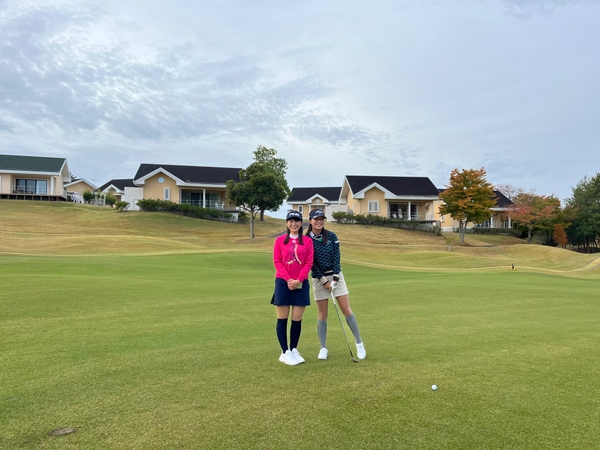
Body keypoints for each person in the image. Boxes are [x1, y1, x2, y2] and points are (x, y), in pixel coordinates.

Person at [306, 209, 366, 360]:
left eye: (322, 219)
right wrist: (324, 281)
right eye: (316, 219)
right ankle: (323, 348)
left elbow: (336, 258)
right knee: (322, 314)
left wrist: (334, 279)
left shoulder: (332, 236)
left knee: (347, 310)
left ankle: (359, 343)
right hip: (318, 279)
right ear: (310, 221)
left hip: (335, 275)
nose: (319, 221)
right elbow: (311, 263)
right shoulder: (306, 240)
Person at [271, 210, 314, 365]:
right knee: (282, 319)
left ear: (301, 223)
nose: (293, 224)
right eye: (290, 221)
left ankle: (293, 349)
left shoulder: (307, 241)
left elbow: (308, 262)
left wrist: (298, 280)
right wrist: (289, 279)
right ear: (287, 223)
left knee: (297, 319)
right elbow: (277, 262)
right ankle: (285, 352)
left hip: (301, 283)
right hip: (283, 283)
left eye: (296, 221)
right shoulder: (279, 241)